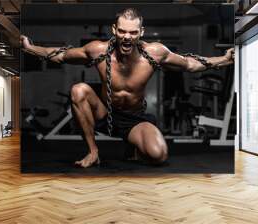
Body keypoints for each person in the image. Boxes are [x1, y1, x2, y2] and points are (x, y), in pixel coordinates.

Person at [20, 8, 234, 168]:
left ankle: (132, 146)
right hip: (104, 114)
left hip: (134, 120)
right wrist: (30, 49)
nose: (127, 37)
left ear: (141, 32)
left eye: (132, 32)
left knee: (159, 155)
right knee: (79, 90)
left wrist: (224, 59)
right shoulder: (98, 51)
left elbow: (189, 63)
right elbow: (61, 55)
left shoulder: (154, 53)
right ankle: (93, 152)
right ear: (114, 30)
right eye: (122, 31)